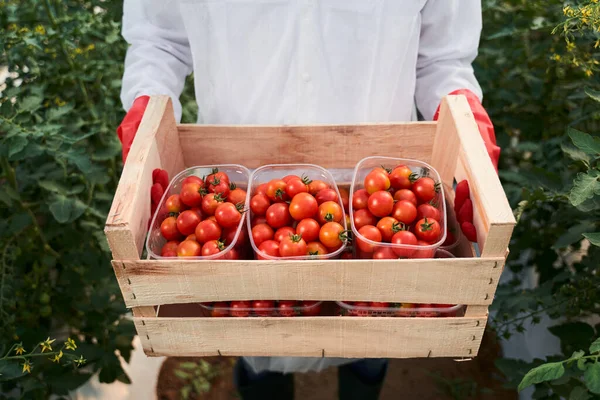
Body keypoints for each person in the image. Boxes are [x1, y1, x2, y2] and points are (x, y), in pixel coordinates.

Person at [117, 1, 500, 399]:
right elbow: (159, 40)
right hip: (245, 200)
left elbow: (442, 56)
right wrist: (147, 115)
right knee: (254, 324)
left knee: (375, 320)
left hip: (371, 192)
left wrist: (462, 119)